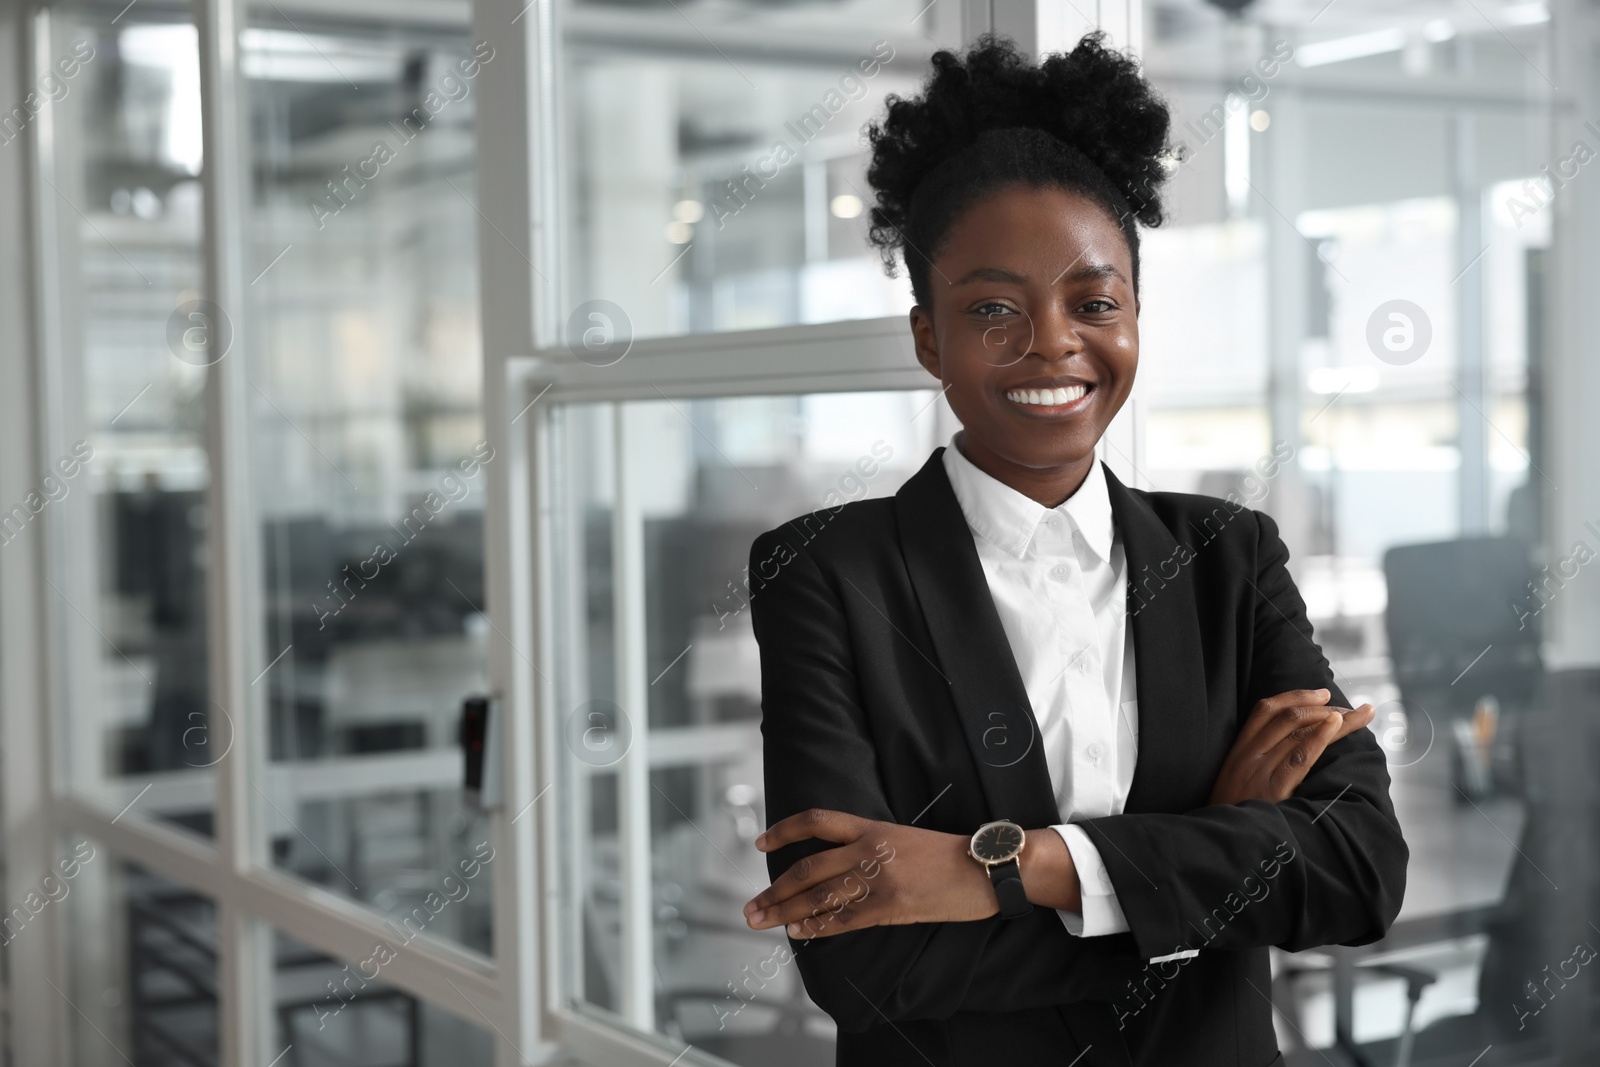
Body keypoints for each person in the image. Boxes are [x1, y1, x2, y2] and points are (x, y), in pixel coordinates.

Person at [738, 33, 1408, 1067]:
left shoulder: (1229, 556)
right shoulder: (827, 573)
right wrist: (1213, 852)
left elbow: (1359, 870)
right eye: (993, 310)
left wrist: (1007, 869)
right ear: (928, 337)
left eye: (1093, 302)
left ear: (1135, 314)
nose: (1053, 343)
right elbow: (864, 965)